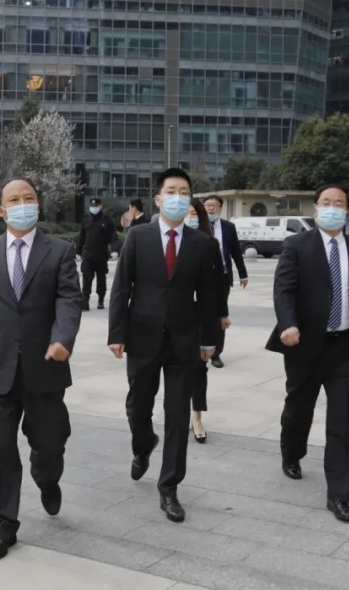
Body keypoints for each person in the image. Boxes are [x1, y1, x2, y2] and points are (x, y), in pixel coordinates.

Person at [0, 178, 83, 561]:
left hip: (46, 366)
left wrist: (63, 338)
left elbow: (69, 299)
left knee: (50, 442)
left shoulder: (60, 251)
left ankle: (47, 476)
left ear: (38, 205)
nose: (23, 204)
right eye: (14, 199)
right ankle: (2, 526)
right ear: (2, 210)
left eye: (29, 198)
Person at [107, 168, 220, 523]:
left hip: (184, 341)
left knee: (178, 414)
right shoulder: (137, 237)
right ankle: (143, 446)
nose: (178, 197)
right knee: (138, 407)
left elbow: (209, 296)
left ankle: (169, 486)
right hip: (142, 337)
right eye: (171, 191)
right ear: (158, 199)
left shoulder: (202, 243)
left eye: (184, 192)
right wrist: (116, 333)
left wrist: (209, 339)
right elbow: (121, 287)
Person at [267, 185, 349, 524]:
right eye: (326, 203)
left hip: (344, 346)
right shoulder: (296, 245)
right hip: (303, 344)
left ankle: (339, 494)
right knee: (299, 408)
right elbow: (283, 289)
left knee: (341, 419)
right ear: (316, 209)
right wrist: (287, 324)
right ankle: (292, 452)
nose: (332, 208)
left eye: (338, 203)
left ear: (347, 212)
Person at [186, 198, 230, 443]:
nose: (189, 217)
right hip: (173, 317)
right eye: (186, 213)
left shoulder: (210, 244)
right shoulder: (163, 242)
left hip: (202, 315)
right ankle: (177, 412)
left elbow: (218, 284)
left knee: (198, 367)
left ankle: (196, 415)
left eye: (194, 213)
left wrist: (222, 314)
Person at [204, 195, 248, 369]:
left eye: (214, 205)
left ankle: (216, 353)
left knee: (220, 315)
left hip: (222, 277)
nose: (211, 208)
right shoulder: (196, 226)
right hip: (201, 278)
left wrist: (243, 274)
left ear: (220, 208)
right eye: (208, 205)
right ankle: (199, 348)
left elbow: (236, 251)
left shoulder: (228, 227)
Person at [75, 197, 120, 311]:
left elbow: (113, 237)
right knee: (86, 278)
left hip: (101, 255)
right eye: (92, 206)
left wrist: (115, 250)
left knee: (101, 279)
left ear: (101, 206)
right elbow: (81, 237)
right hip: (88, 255)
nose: (94, 208)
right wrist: (78, 251)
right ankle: (85, 301)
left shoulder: (107, 220)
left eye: (96, 206)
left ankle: (100, 300)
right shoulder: (86, 219)